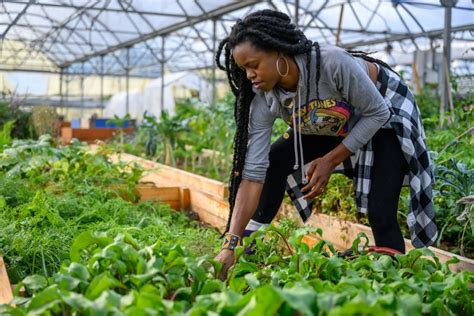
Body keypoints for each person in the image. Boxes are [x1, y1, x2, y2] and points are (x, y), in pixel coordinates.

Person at [215, 9, 437, 278]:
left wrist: (330, 160)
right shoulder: (264, 96)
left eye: (254, 64)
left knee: (379, 207)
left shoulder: (332, 63)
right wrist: (231, 240)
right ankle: (245, 248)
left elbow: (377, 113)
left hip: (383, 111)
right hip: (328, 116)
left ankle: (399, 281)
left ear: (278, 52)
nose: (249, 74)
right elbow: (253, 175)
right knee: (274, 161)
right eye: (244, 69)